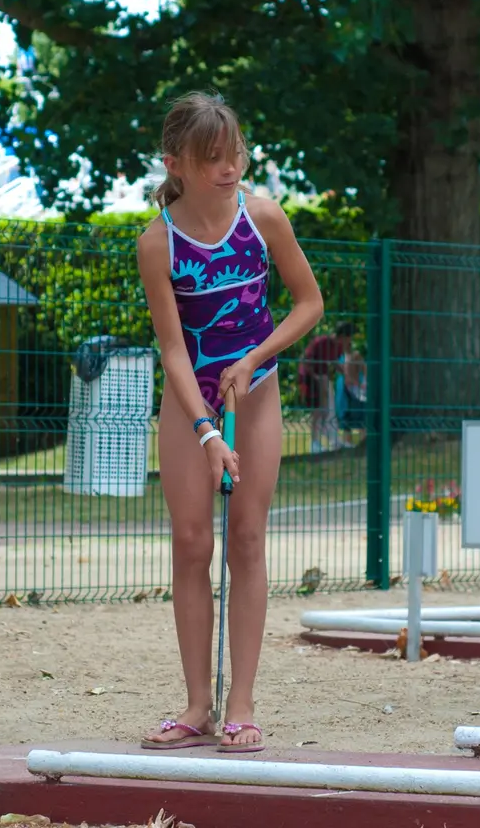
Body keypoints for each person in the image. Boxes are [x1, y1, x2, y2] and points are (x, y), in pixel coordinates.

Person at [136, 93, 322, 754]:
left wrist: (253, 361)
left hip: (257, 392)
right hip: (192, 404)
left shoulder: (263, 217)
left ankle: (240, 705)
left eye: (235, 154)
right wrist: (205, 431)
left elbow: (308, 303)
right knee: (192, 543)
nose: (228, 168)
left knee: (246, 538)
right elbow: (174, 351)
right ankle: (196, 707)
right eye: (212, 158)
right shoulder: (157, 241)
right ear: (175, 163)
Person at [298, 324, 353, 453]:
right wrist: (316, 377)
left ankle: (334, 440)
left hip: (323, 378)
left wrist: (345, 374)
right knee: (318, 410)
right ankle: (315, 443)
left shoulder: (338, 347)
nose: (349, 342)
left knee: (329, 409)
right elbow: (306, 360)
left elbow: (333, 361)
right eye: (348, 338)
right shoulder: (321, 342)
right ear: (342, 336)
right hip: (310, 379)